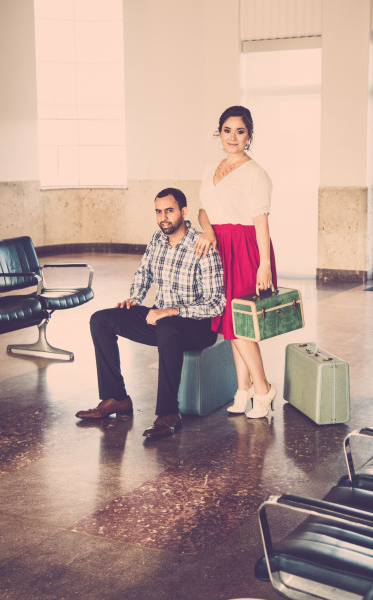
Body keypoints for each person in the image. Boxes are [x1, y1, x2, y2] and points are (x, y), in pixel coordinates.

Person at [76, 187, 226, 438]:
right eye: (158, 212)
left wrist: (173, 310)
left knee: (167, 327)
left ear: (183, 211)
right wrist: (134, 299)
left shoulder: (202, 246)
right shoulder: (157, 239)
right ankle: (117, 398)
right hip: (161, 318)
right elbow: (144, 273)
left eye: (169, 210)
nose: (163, 217)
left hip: (197, 326)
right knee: (100, 320)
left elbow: (216, 303)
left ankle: (168, 413)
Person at [195, 105, 277, 419]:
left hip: (245, 249)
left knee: (240, 324)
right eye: (227, 130)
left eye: (240, 131)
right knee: (230, 324)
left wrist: (264, 264)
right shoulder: (209, 169)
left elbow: (261, 221)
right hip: (219, 248)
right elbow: (204, 210)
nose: (233, 137)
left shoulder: (256, 173)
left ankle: (263, 389)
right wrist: (208, 231)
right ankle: (242, 390)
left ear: (249, 136)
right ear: (219, 132)